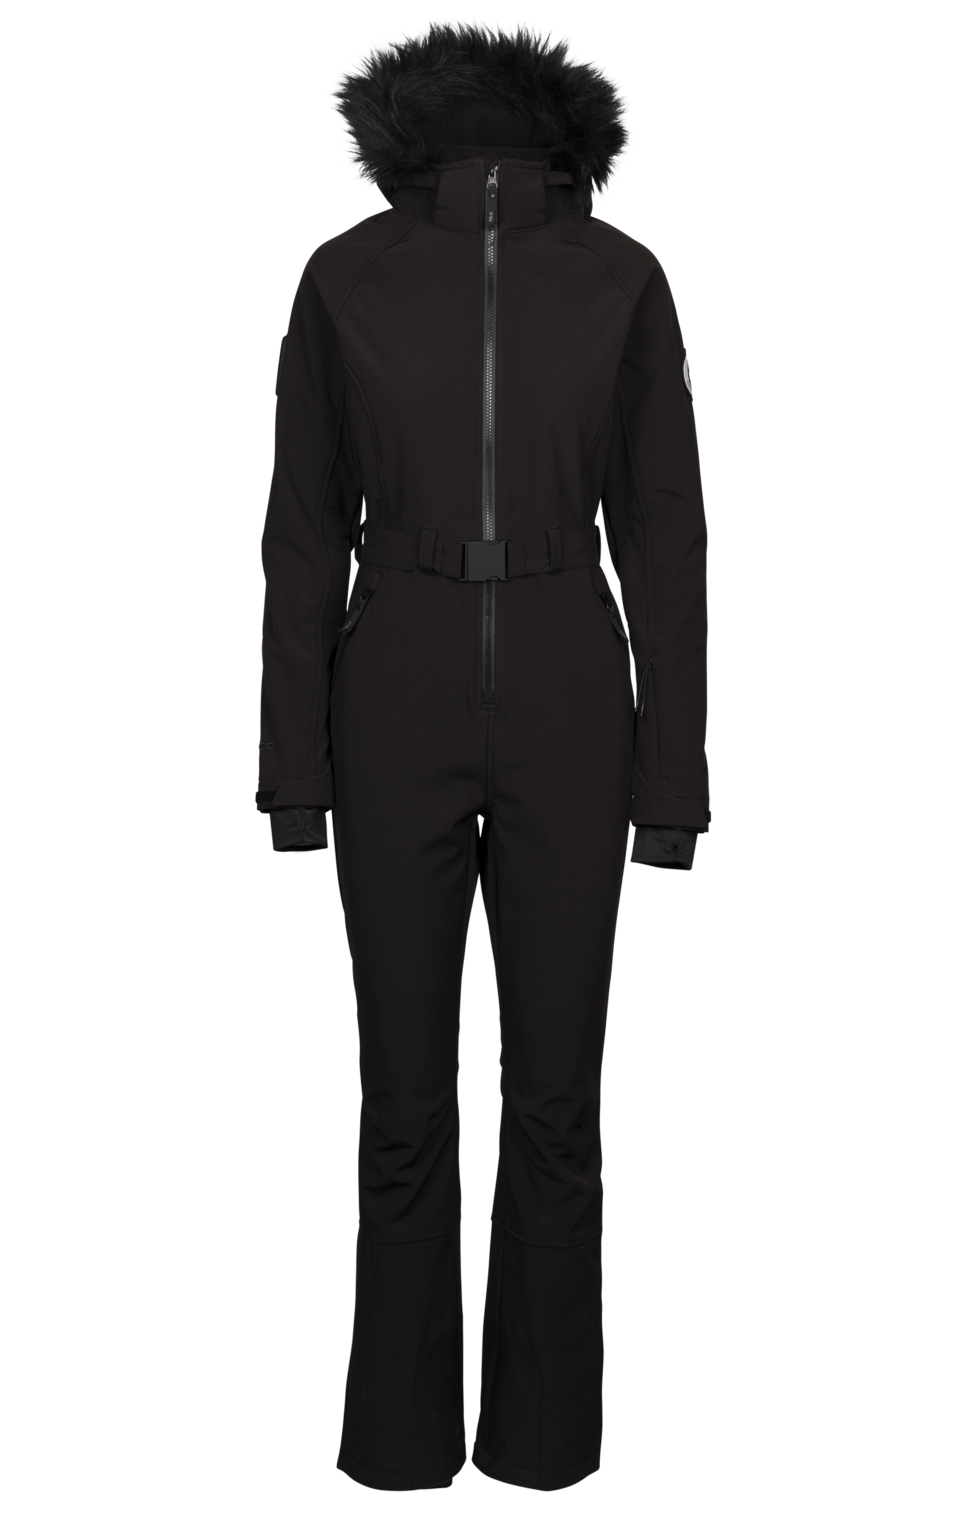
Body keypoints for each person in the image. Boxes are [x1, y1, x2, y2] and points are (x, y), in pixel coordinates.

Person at [254, 16, 711, 1492]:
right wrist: (294, 765)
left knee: (559, 1100)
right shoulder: (345, 276)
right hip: (392, 684)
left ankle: (544, 1442)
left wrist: (673, 776)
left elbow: (667, 540)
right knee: (400, 1101)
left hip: (574, 685)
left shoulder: (622, 278)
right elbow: (299, 533)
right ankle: (395, 1444)